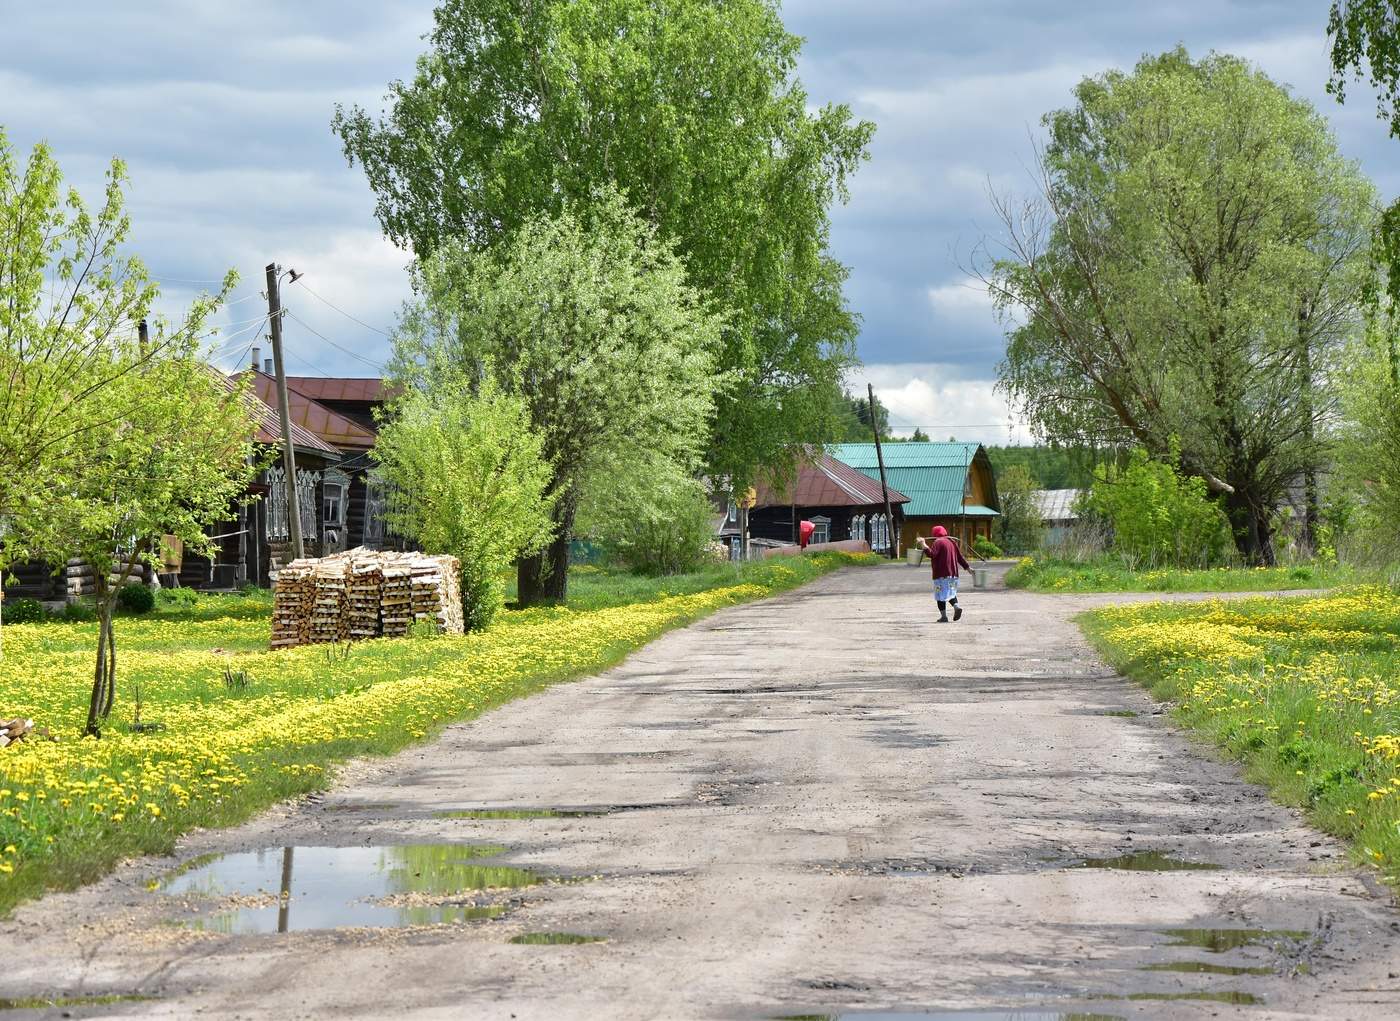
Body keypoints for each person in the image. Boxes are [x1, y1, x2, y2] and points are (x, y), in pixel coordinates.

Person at [916, 525, 969, 623]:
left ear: (935, 534)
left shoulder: (938, 542)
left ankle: (944, 616)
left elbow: (931, 554)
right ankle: (956, 606)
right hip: (953, 575)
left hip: (941, 575)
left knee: (939, 595)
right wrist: (968, 568)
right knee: (951, 592)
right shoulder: (952, 542)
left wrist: (923, 544)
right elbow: (960, 558)